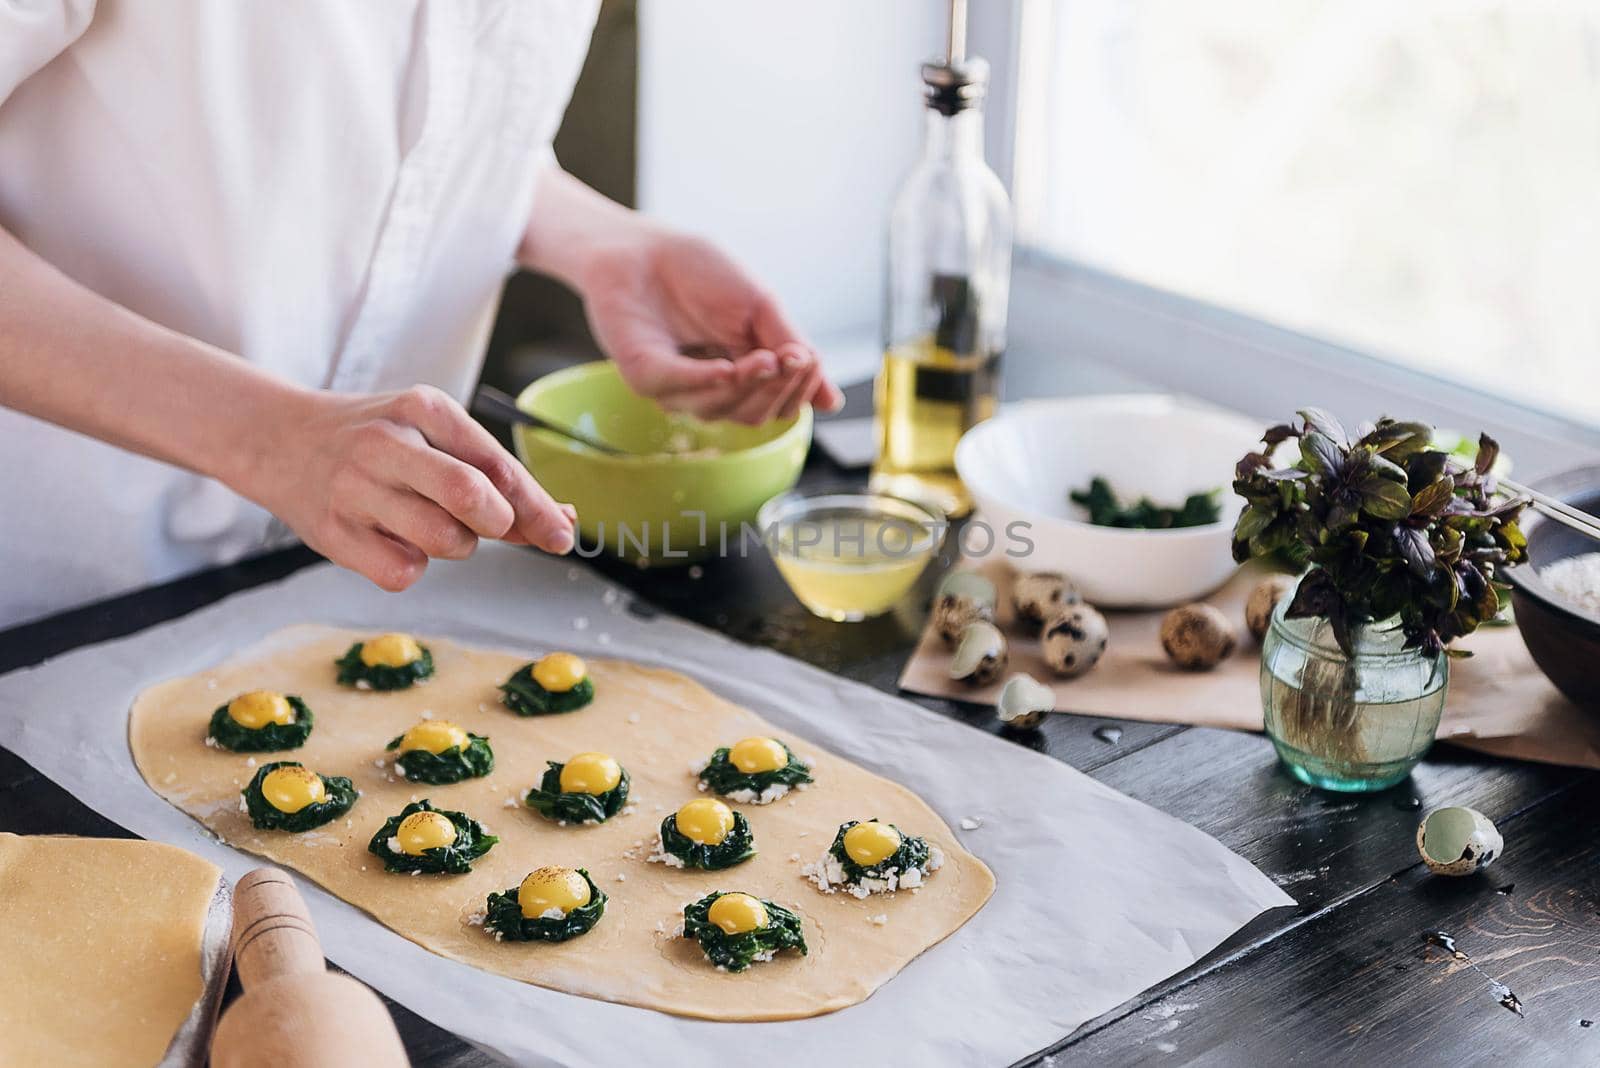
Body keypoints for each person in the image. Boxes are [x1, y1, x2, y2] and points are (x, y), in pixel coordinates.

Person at [0, 1, 842, 626]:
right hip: (62, 599)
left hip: (371, 587)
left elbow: (433, 122)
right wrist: (268, 435)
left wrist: (601, 243)